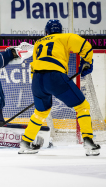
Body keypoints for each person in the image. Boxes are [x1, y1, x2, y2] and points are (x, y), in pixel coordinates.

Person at [19, 19, 100, 156]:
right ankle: (88, 141)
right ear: (60, 30)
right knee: (82, 106)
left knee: (40, 112)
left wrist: (43, 88)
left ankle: (25, 143)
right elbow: (85, 45)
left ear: (46, 31)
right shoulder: (65, 37)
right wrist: (87, 61)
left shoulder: (39, 42)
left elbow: (35, 64)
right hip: (55, 77)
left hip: (37, 80)